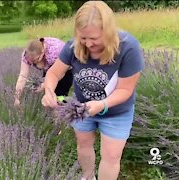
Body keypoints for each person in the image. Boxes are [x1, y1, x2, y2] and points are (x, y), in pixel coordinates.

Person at [41, 1, 144, 180]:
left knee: (111, 156)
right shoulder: (73, 47)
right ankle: (88, 177)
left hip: (116, 112)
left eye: (94, 38)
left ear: (109, 31)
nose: (88, 44)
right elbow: (54, 73)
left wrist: (102, 104)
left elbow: (125, 90)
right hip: (81, 108)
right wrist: (49, 91)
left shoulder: (129, 48)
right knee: (83, 144)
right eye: (83, 38)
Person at [14, 37, 73, 106]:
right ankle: (50, 113)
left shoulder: (54, 51)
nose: (33, 63)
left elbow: (59, 73)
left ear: (42, 52)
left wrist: (45, 84)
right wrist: (17, 98)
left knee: (60, 95)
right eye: (30, 61)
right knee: (47, 96)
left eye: (35, 61)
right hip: (49, 68)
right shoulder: (27, 55)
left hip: (66, 69)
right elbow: (22, 77)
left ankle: (65, 109)